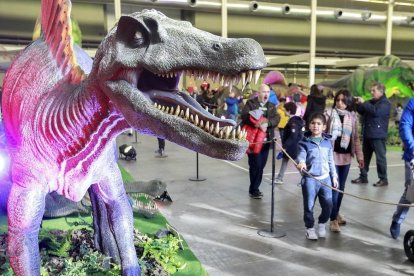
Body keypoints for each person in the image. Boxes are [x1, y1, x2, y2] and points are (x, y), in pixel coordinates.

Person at [326, 89, 364, 232]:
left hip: (346, 158)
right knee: (335, 189)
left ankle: (335, 213)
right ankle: (333, 220)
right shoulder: (329, 114)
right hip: (332, 157)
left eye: (343, 101)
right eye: (338, 100)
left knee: (341, 189)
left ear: (348, 102)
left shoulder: (352, 117)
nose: (340, 103)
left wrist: (360, 157)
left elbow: (355, 138)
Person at [296, 113, 338, 240]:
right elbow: (301, 156)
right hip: (310, 180)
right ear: (309, 125)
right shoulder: (304, 142)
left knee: (328, 205)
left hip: (326, 179)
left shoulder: (327, 143)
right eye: (313, 123)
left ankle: (321, 223)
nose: (315, 126)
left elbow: (331, 160)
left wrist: (334, 176)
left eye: (319, 124)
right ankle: (309, 228)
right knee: (309, 206)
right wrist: (301, 162)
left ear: (324, 127)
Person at [241, 84, 280, 199]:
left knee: (261, 166)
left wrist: (267, 123)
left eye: (268, 92)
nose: (266, 94)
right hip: (253, 141)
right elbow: (244, 116)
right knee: (255, 165)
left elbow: (277, 118)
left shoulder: (272, 106)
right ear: (259, 92)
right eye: (264, 92)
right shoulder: (251, 103)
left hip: (266, 141)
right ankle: (254, 189)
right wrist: (257, 123)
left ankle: (254, 188)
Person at [351, 82, 391, 187]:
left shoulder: (385, 103)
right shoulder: (371, 102)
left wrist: (364, 103)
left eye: (374, 90)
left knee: (380, 159)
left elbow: (375, 112)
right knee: (364, 158)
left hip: (378, 136)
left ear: (381, 92)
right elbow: (362, 111)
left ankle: (383, 179)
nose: (371, 92)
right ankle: (363, 177)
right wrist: (358, 103)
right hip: (368, 134)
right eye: (371, 90)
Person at [389, 98, 414, 239]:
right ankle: (397, 220)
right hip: (413, 155)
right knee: (411, 192)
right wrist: (413, 147)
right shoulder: (413, 103)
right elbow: (405, 124)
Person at [275, 102, 304, 184]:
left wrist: (285, 146)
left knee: (297, 163)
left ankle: (305, 178)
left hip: (292, 147)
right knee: (285, 161)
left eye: (285, 110)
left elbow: (293, 136)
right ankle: (280, 178)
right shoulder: (293, 121)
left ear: (289, 111)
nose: (284, 112)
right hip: (291, 146)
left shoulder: (293, 122)